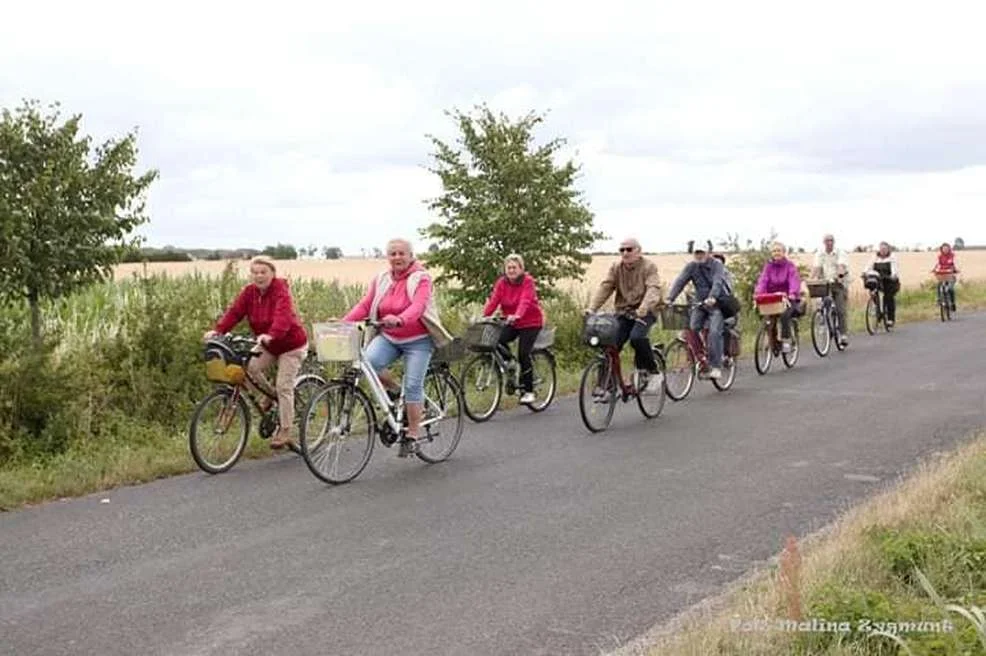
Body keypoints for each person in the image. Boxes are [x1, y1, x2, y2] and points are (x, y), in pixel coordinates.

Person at [343, 238, 452, 457]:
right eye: (392, 254)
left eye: (402, 253)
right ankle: (395, 391)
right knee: (369, 363)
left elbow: (419, 307)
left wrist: (401, 319)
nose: (397, 258)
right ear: (388, 257)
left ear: (411, 255)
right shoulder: (382, 279)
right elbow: (366, 304)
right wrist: (343, 323)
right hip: (390, 337)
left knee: (413, 385)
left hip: (418, 339)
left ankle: (412, 433)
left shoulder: (421, 278)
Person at [204, 256, 309, 450]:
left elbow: (283, 317)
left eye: (263, 272)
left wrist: (272, 335)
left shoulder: (280, 291)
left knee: (284, 385)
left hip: (291, 345)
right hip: (268, 344)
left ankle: (285, 430)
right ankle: (270, 395)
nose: (259, 276)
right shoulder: (249, 293)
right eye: (255, 272)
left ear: (272, 274)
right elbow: (235, 312)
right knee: (249, 367)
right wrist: (218, 331)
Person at [585, 237, 664, 394]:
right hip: (624, 311)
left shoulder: (649, 266)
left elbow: (653, 289)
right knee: (610, 344)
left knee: (637, 337)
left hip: (646, 311)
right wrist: (591, 308)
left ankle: (653, 371)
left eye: (629, 249)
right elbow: (606, 287)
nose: (625, 253)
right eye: (622, 250)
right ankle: (606, 384)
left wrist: (643, 308)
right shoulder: (616, 267)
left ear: (638, 251)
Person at [482, 254, 545, 405]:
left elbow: (525, 300)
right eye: (508, 268)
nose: (511, 270)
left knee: (523, 353)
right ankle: (509, 363)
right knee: (495, 339)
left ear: (521, 269)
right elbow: (494, 301)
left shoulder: (527, 282)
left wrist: (517, 315)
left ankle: (529, 391)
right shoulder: (502, 283)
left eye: (514, 267)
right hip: (512, 321)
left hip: (530, 322)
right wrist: (484, 316)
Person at [665, 238, 731, 380]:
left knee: (714, 332)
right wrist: (670, 298)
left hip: (717, 303)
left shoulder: (716, 265)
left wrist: (713, 297)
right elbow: (680, 281)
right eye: (696, 253)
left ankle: (716, 366)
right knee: (692, 327)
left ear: (708, 253)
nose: (699, 255)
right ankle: (702, 359)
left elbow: (718, 282)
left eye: (701, 252)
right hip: (700, 303)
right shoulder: (691, 266)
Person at [754, 241, 803, 352]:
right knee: (764, 314)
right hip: (772, 297)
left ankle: (786, 340)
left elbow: (794, 280)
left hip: (788, 298)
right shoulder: (768, 267)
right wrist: (758, 294)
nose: (776, 253)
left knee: (785, 315)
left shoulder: (790, 266)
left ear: (784, 252)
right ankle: (771, 338)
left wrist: (792, 293)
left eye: (779, 251)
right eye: (774, 251)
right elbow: (763, 281)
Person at [811, 233, 850, 347]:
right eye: (827, 241)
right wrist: (812, 279)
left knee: (840, 309)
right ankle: (824, 322)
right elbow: (817, 268)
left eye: (831, 240)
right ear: (824, 243)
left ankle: (843, 334)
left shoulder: (840, 253)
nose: (829, 243)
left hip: (838, 283)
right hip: (825, 283)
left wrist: (840, 275)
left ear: (834, 242)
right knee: (822, 303)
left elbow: (841, 266)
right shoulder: (820, 254)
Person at [865, 241, 900, 326]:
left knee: (888, 297)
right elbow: (868, 266)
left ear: (888, 249)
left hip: (889, 280)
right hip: (878, 279)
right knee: (873, 292)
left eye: (885, 249)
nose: (883, 251)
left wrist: (893, 275)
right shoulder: (875, 257)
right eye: (881, 249)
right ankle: (878, 311)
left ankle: (890, 318)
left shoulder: (892, 257)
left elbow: (894, 268)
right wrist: (865, 272)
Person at [931, 242, 959, 312]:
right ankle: (938, 299)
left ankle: (952, 303)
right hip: (942, 274)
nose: (945, 250)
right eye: (944, 249)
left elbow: (953, 264)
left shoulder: (952, 256)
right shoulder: (940, 256)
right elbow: (937, 264)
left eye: (947, 248)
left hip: (950, 275)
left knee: (950, 289)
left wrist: (955, 269)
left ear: (949, 249)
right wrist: (934, 269)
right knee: (938, 285)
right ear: (942, 249)